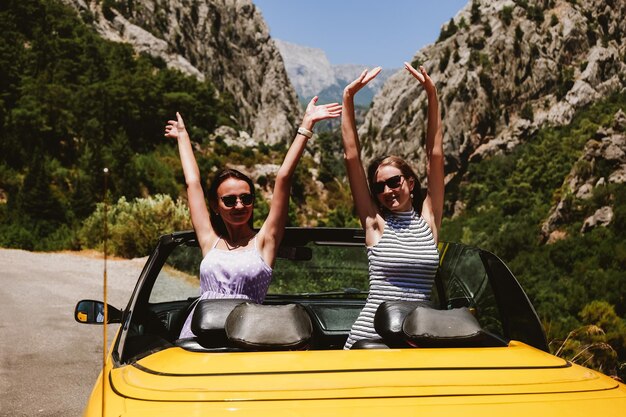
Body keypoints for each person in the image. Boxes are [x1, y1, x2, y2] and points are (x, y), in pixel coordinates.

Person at [165, 97, 341, 339]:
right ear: (216, 207)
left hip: (246, 336)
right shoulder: (210, 240)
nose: (239, 205)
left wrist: (306, 125)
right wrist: (183, 138)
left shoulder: (265, 242)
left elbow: (283, 178)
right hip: (197, 336)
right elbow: (193, 184)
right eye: (230, 200)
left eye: (246, 198)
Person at [341, 63, 444, 349]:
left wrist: (432, 96)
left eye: (394, 181)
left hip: (419, 340)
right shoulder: (375, 223)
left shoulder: (429, 220)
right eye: (379, 186)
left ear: (410, 183)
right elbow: (352, 157)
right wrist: (348, 97)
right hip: (369, 339)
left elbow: (434, 155)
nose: (388, 190)